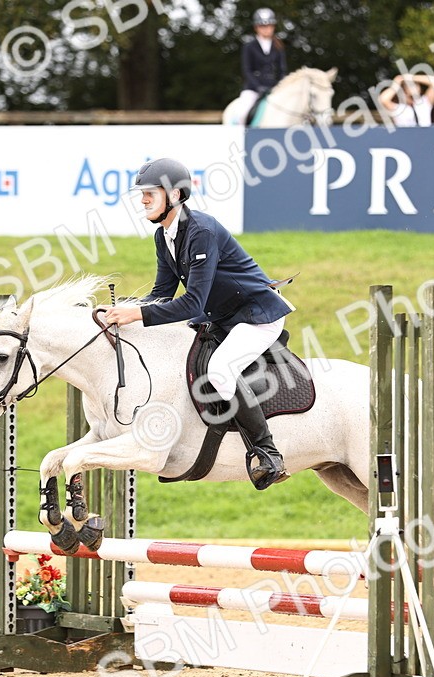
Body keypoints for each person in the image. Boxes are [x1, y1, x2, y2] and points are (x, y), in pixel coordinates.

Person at [105, 158, 293, 489]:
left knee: (220, 370)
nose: (143, 200)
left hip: (256, 315)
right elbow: (162, 294)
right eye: (142, 194)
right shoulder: (164, 236)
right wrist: (123, 309)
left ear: (175, 195)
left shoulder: (201, 231)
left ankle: (267, 453)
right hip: (223, 317)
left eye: (150, 193)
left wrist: (136, 315)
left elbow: (192, 302)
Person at [231, 8, 287, 125]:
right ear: (256, 28)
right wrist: (258, 87)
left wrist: (280, 86)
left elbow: (282, 70)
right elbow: (247, 70)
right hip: (253, 89)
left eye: (269, 26)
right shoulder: (249, 47)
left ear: (273, 27)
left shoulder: (279, 47)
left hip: (274, 88)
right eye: (262, 26)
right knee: (241, 113)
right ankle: (238, 132)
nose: (266, 29)